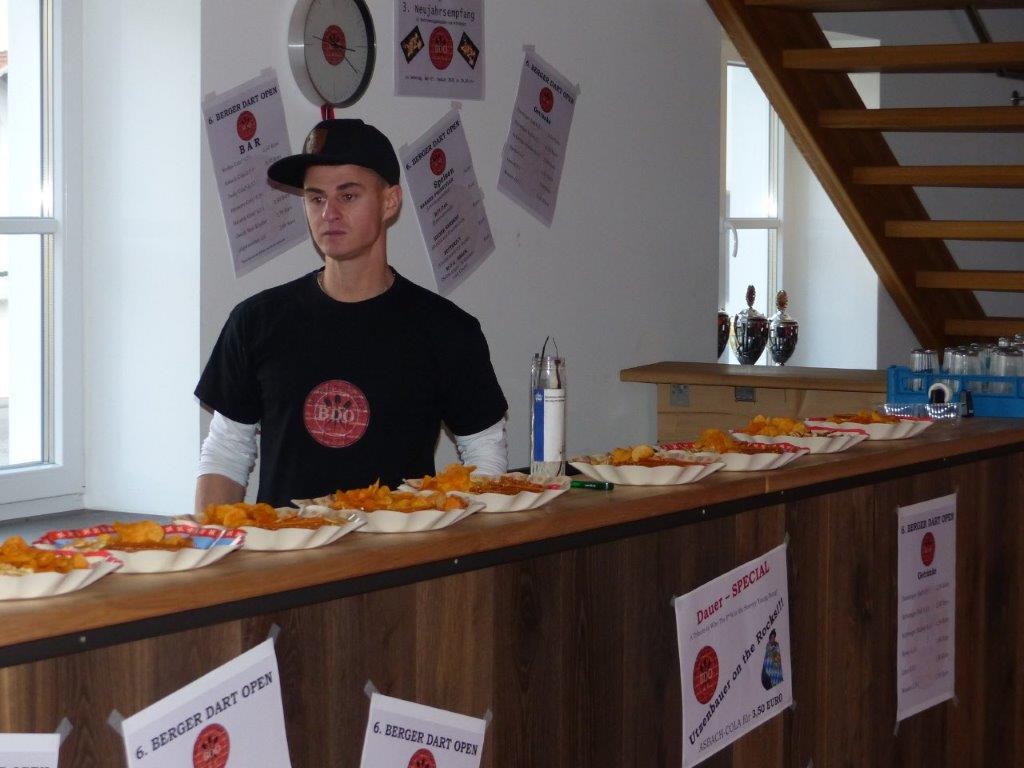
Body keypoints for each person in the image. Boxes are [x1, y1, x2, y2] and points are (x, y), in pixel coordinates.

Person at [194, 119, 508, 512]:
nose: (329, 213)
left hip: (402, 547)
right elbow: (226, 451)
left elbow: (485, 454)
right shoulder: (255, 322)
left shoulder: (445, 329)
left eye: (348, 195)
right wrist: (209, 540)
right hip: (287, 547)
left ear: (389, 202)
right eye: (316, 198)